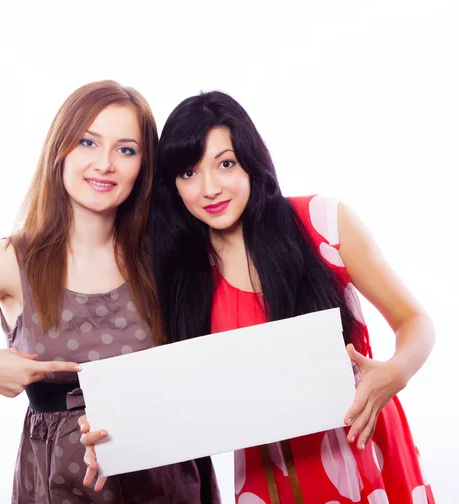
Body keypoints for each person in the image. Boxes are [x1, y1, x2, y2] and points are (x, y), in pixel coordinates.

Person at [80, 91, 435, 503]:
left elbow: (414, 321)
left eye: (225, 164)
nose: (209, 188)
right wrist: (111, 432)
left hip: (364, 448)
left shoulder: (322, 222)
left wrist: (396, 372)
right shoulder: (182, 275)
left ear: (251, 161)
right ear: (172, 186)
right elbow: (169, 393)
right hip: (268, 477)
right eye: (189, 173)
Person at [0, 81, 220, 504]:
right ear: (60, 149)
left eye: (126, 150)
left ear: (144, 167)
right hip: (61, 486)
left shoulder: (163, 256)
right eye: (88, 142)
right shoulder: (11, 260)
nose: (105, 163)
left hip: (164, 482)